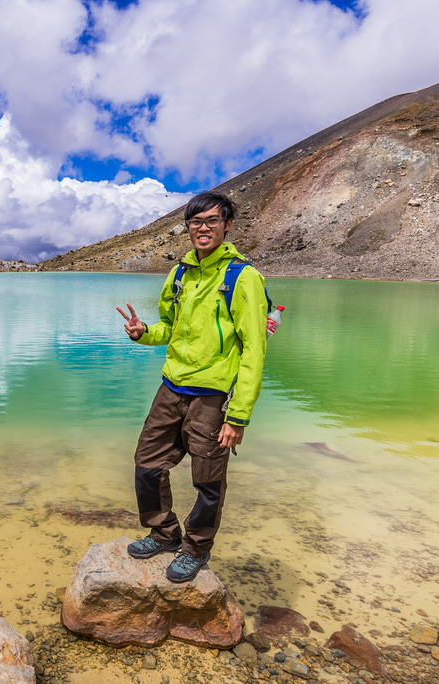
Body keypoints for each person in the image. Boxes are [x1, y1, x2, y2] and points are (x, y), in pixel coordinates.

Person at [116, 191, 268, 583]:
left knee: (208, 480)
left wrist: (238, 416)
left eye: (212, 221)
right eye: (195, 222)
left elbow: (254, 349)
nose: (203, 228)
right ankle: (164, 533)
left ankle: (196, 549)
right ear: (188, 227)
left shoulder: (242, 277)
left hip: (212, 396)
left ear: (227, 225)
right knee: (147, 463)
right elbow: (170, 328)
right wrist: (143, 332)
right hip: (171, 387)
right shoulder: (181, 273)